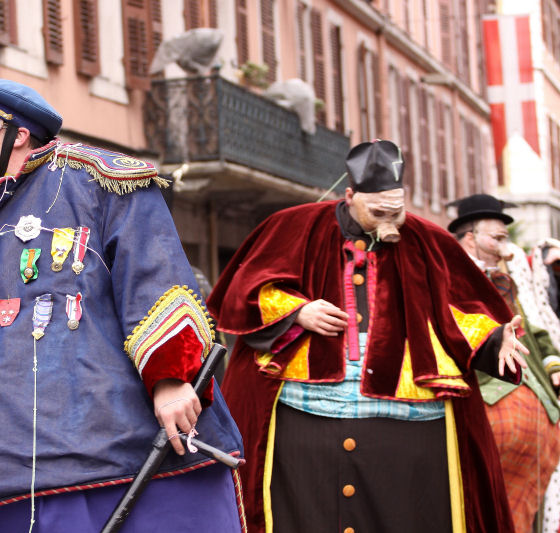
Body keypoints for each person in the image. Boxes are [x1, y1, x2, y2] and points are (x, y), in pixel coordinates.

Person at [0, 75, 244, 532]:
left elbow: (156, 278)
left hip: (74, 459)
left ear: (18, 134)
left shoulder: (100, 180)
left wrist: (171, 381)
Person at [207, 140, 527, 533]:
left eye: (397, 211)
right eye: (378, 212)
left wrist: (495, 337)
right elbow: (245, 290)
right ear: (350, 195)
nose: (391, 222)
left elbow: (459, 310)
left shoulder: (429, 240)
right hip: (306, 401)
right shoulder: (293, 227)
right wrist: (298, 311)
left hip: (407, 400)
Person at [450, 194, 560, 532]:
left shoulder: (505, 279)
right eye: (496, 237)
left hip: (540, 414)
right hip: (486, 402)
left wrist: (554, 366)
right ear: (470, 237)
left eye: (505, 237)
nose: (504, 245)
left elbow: (531, 328)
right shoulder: (451, 276)